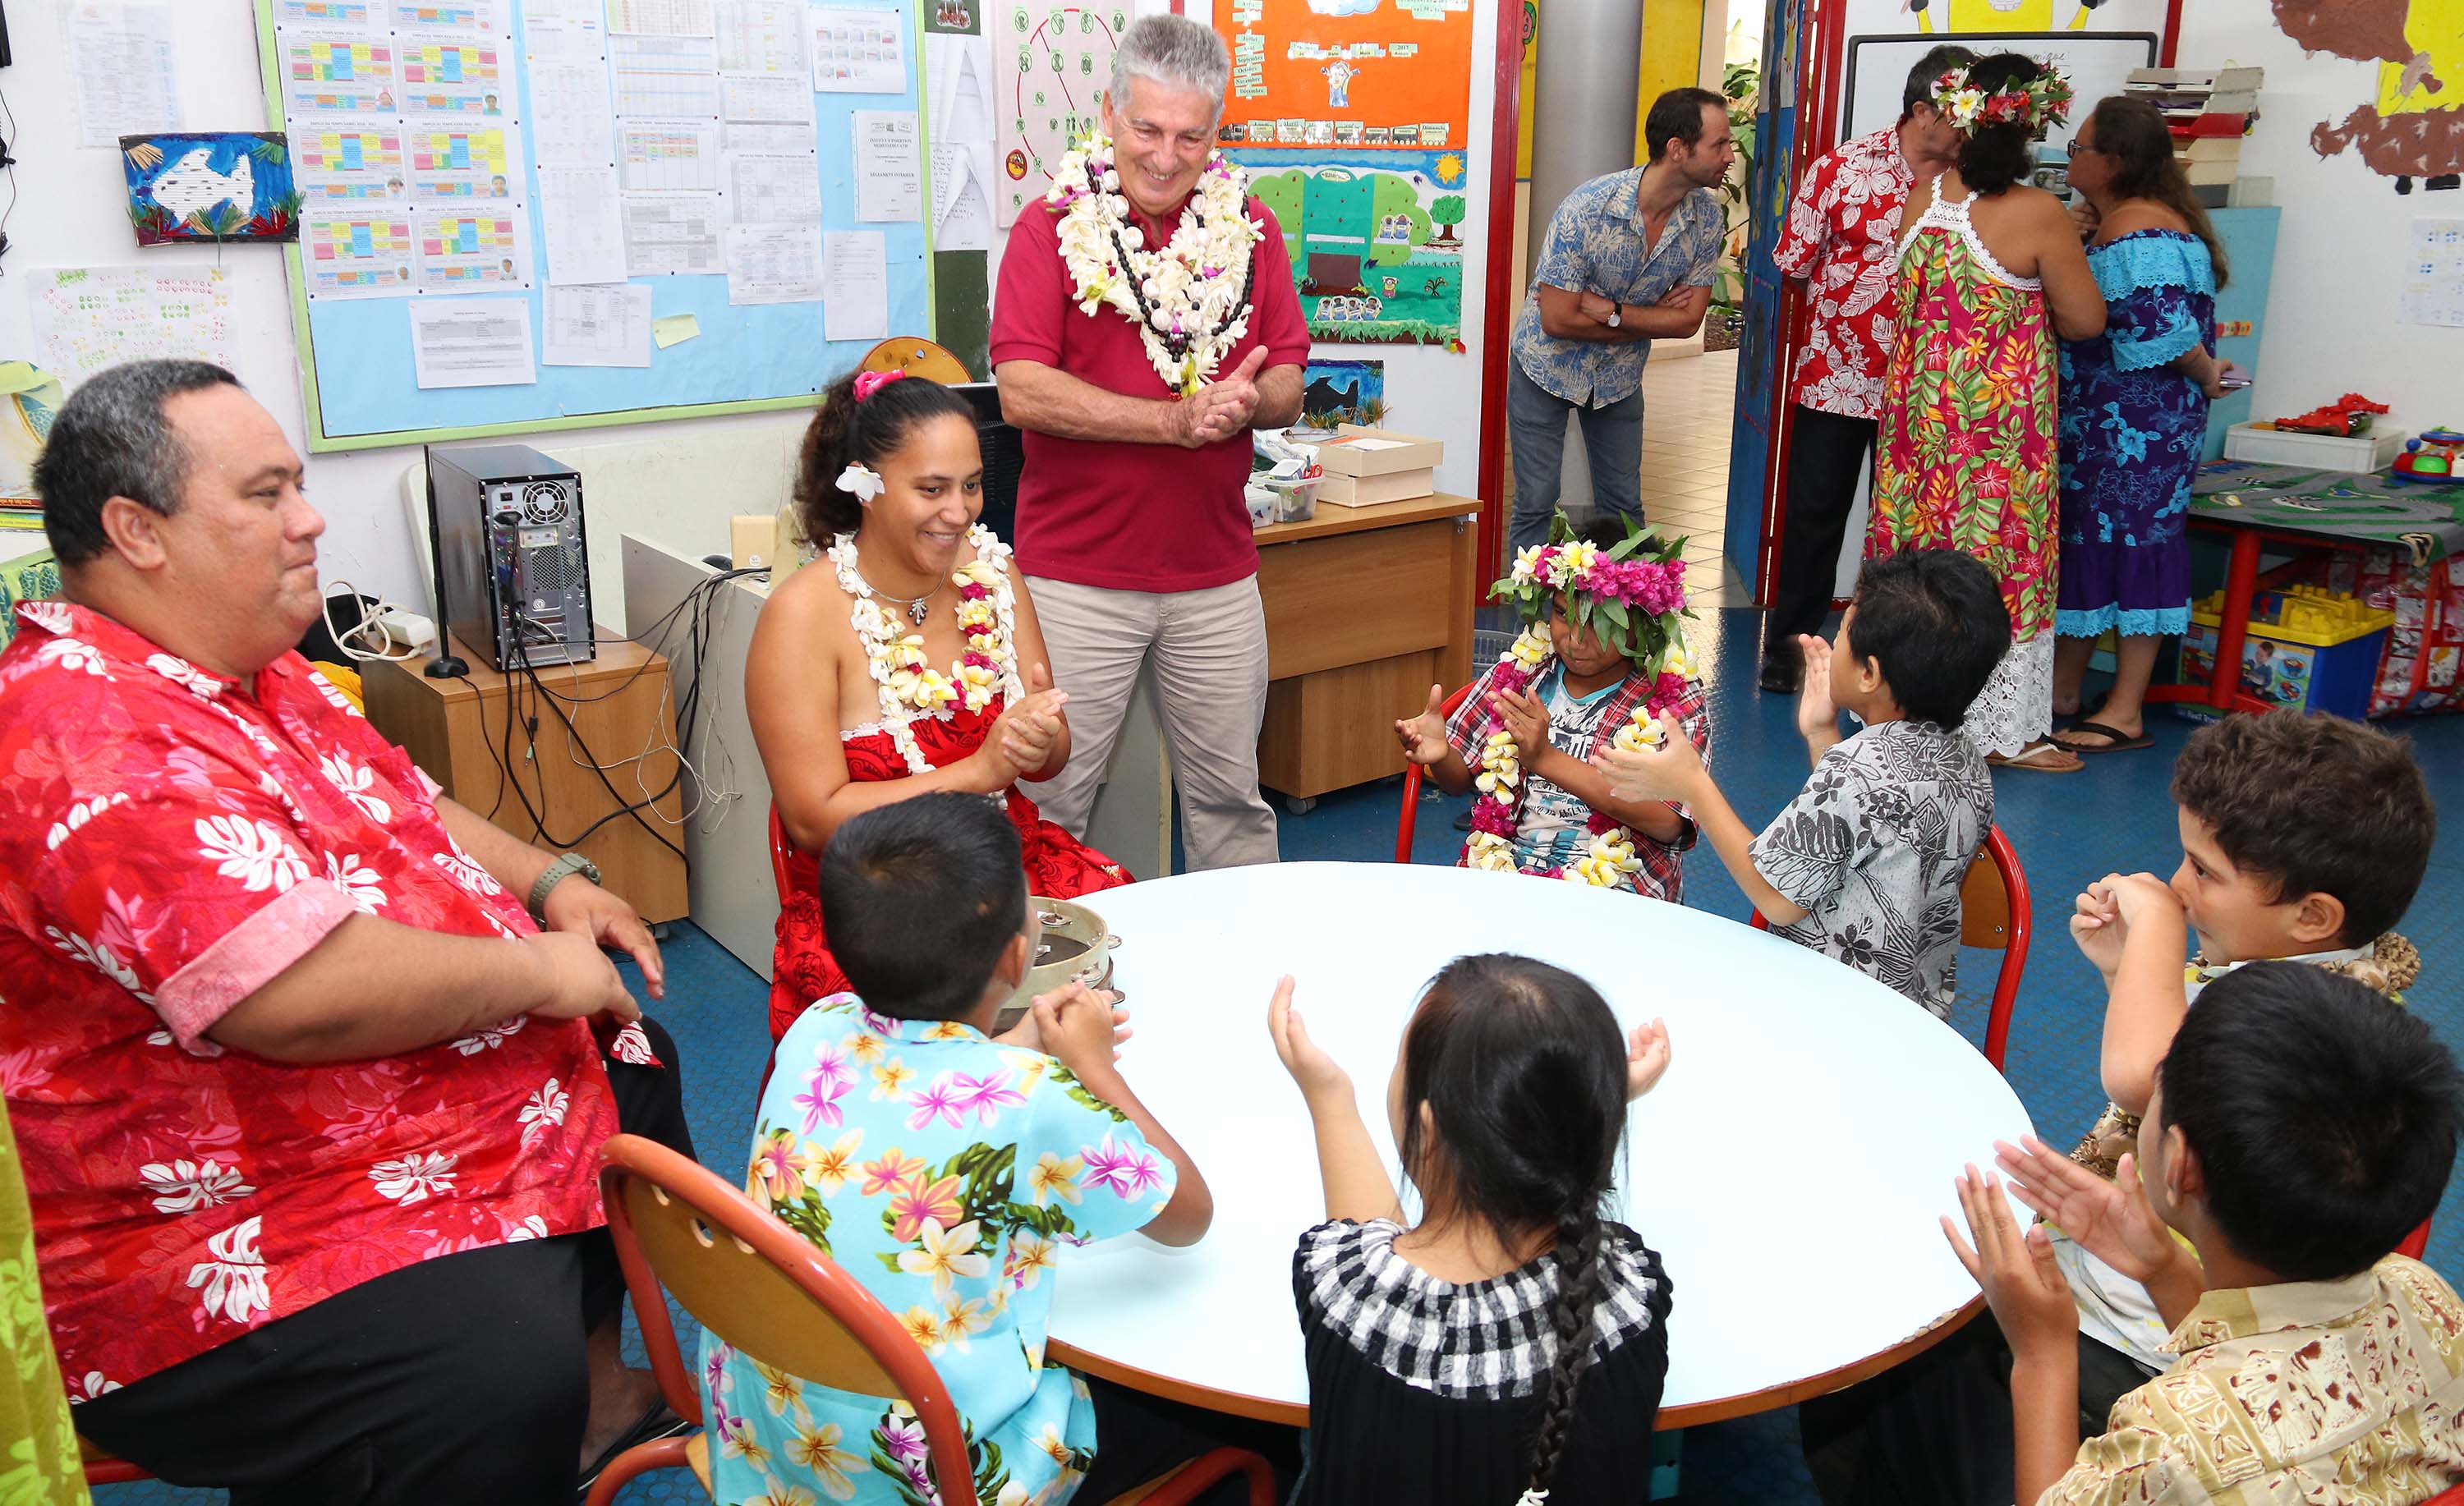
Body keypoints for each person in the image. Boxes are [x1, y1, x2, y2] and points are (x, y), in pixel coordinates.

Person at [0, 360, 695, 1503]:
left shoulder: (259, 671)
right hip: (197, 1211)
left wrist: (551, 877)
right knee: (486, 1372)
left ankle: (592, 1396)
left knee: (638, 1066)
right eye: (267, 494)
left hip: (357, 1115)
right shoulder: (89, 733)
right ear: (138, 531)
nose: (311, 519)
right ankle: (510, 1416)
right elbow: (291, 992)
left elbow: (406, 800)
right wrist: (541, 971)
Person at [1799, 708, 2434, 1504]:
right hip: (2186, 1292)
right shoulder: (2354, 990)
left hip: (2135, 1348)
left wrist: (2159, 932)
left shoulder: (2277, 1012)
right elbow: (2172, 1066)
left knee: (1892, 1356)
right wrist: (2125, 973)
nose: (2176, 883)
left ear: (2314, 915)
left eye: (2204, 872)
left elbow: (2146, 1075)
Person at [707, 793, 1250, 1505]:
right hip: (940, 1475)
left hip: (775, 1433)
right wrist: (1095, 1069)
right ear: (1020, 953)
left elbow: (921, 1085)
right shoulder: (1027, 1102)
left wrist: (1018, 1045)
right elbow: (1187, 1216)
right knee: (1222, 1418)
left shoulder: (818, 1024)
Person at [1947, 963, 2464, 1505]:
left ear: (2180, 1166)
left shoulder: (2169, 1445)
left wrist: (2043, 1353)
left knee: (1918, 1401)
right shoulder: (2429, 1298)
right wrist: (2166, 1270)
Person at [991, 15, 1309, 871]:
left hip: (1217, 575)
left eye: (1192, 135)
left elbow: (1287, 378)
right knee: (1050, 800)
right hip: (1074, 580)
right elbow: (1020, 388)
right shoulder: (1048, 228)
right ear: (1107, 113)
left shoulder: (1252, 230)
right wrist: (1171, 421)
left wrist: (1243, 407)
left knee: (1231, 802)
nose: (1167, 156)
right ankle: (1037, 995)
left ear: (1217, 131)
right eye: (1147, 130)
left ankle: (1252, 992)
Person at [749, 368, 1128, 1043]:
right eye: (932, 489)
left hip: (1007, 870)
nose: (961, 512)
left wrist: (1041, 744)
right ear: (865, 485)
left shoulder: (993, 571)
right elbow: (812, 821)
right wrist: (976, 775)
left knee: (1126, 973)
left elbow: (1051, 751)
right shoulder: (802, 616)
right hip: (878, 908)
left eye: (972, 485)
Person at [1266, 956, 1675, 1504]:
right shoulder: (1632, 1291)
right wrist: (1580, 1104)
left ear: (1429, 1127)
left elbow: (1366, 1262)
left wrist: (1328, 1096)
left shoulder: (1342, 1288)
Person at [1598, 549, 2003, 1021]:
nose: (1834, 641)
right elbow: (1856, 839)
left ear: (1869, 674)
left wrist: (1693, 786)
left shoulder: (1857, 769)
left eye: (1845, 633)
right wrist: (1821, 734)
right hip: (1912, 1014)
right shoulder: (1967, 759)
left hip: (1826, 1011)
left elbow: (1776, 898)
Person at [1869, 53, 2105, 774]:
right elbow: (2086, 320)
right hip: (1997, 431)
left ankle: (1906, 707)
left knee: (1922, 560)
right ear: (2036, 123)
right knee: (2001, 563)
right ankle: (2001, 732)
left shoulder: (1925, 194)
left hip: (1918, 422)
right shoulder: (2038, 212)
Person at [1759, 43, 1975, 695]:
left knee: (1910, 528)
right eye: (1959, 114)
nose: (1968, 128)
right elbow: (1792, 263)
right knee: (1814, 517)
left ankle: (1896, 662)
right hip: (1836, 379)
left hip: (1929, 389)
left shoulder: (1975, 185)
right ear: (1921, 112)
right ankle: (1788, 653)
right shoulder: (1842, 170)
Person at [2049, 96, 2236, 754]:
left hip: (2136, 433)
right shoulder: (2127, 222)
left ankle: (2125, 708)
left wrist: (2207, 369)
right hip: (2108, 429)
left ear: (2114, 161)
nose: (2070, 157)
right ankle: (2065, 690)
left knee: (2134, 548)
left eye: (2080, 148)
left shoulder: (2138, 230)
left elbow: (2161, 330)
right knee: (2090, 544)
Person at [1393, 512, 1709, 898]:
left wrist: (1545, 759)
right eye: (1562, 613)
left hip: (1617, 892)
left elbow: (1668, 824)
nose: (1574, 639)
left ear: (1643, 622)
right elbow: (1458, 781)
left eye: (1599, 622)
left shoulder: (1671, 699)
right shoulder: (1523, 672)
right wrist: (1440, 755)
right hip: (1504, 877)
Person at [1506, 87, 1731, 556]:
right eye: (1719, 144)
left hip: (1619, 378)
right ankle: (1529, 624)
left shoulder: (1707, 217)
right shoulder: (1587, 209)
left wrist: (1612, 312)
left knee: (1626, 507)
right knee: (1536, 503)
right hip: (1544, 369)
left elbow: (1689, 321)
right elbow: (1557, 319)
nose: (1730, 155)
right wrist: (1653, 317)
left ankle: (1629, 622)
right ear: (1677, 149)